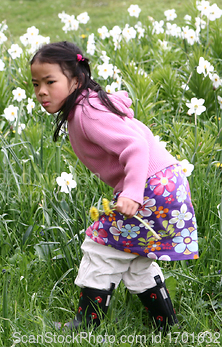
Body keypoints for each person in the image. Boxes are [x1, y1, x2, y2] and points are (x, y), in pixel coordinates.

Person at [30, 41, 198, 331]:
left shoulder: (87, 113)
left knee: (100, 246)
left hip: (149, 188)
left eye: (50, 82)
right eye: (35, 84)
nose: (41, 91)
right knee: (133, 256)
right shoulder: (88, 103)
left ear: (75, 79)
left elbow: (134, 147)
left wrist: (132, 192)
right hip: (165, 183)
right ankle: (166, 325)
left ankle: (87, 324)